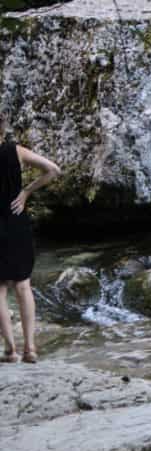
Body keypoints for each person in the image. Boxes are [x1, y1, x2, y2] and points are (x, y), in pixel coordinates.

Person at [0, 115, 61, 363]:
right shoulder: (17, 151)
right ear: (2, 129)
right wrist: (26, 192)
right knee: (23, 285)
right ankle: (31, 349)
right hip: (16, 219)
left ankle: (11, 351)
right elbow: (53, 170)